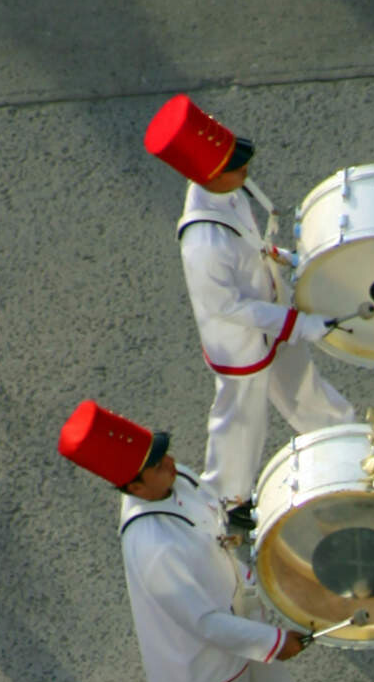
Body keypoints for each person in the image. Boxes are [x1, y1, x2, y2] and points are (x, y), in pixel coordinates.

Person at [58, 398, 313, 682]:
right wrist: (273, 641)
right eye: (157, 465)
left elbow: (212, 512)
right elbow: (205, 624)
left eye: (162, 454)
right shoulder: (152, 546)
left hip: (245, 619)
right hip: (211, 658)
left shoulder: (176, 481)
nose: (172, 463)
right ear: (135, 487)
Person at [144, 92, 355, 504]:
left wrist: (290, 260)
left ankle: (342, 439)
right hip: (240, 342)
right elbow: (227, 307)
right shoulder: (203, 241)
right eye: (234, 166)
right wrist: (300, 324)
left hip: (272, 314)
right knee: (241, 422)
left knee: (302, 385)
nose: (244, 168)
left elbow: (252, 247)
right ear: (209, 175)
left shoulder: (231, 192)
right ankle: (228, 498)